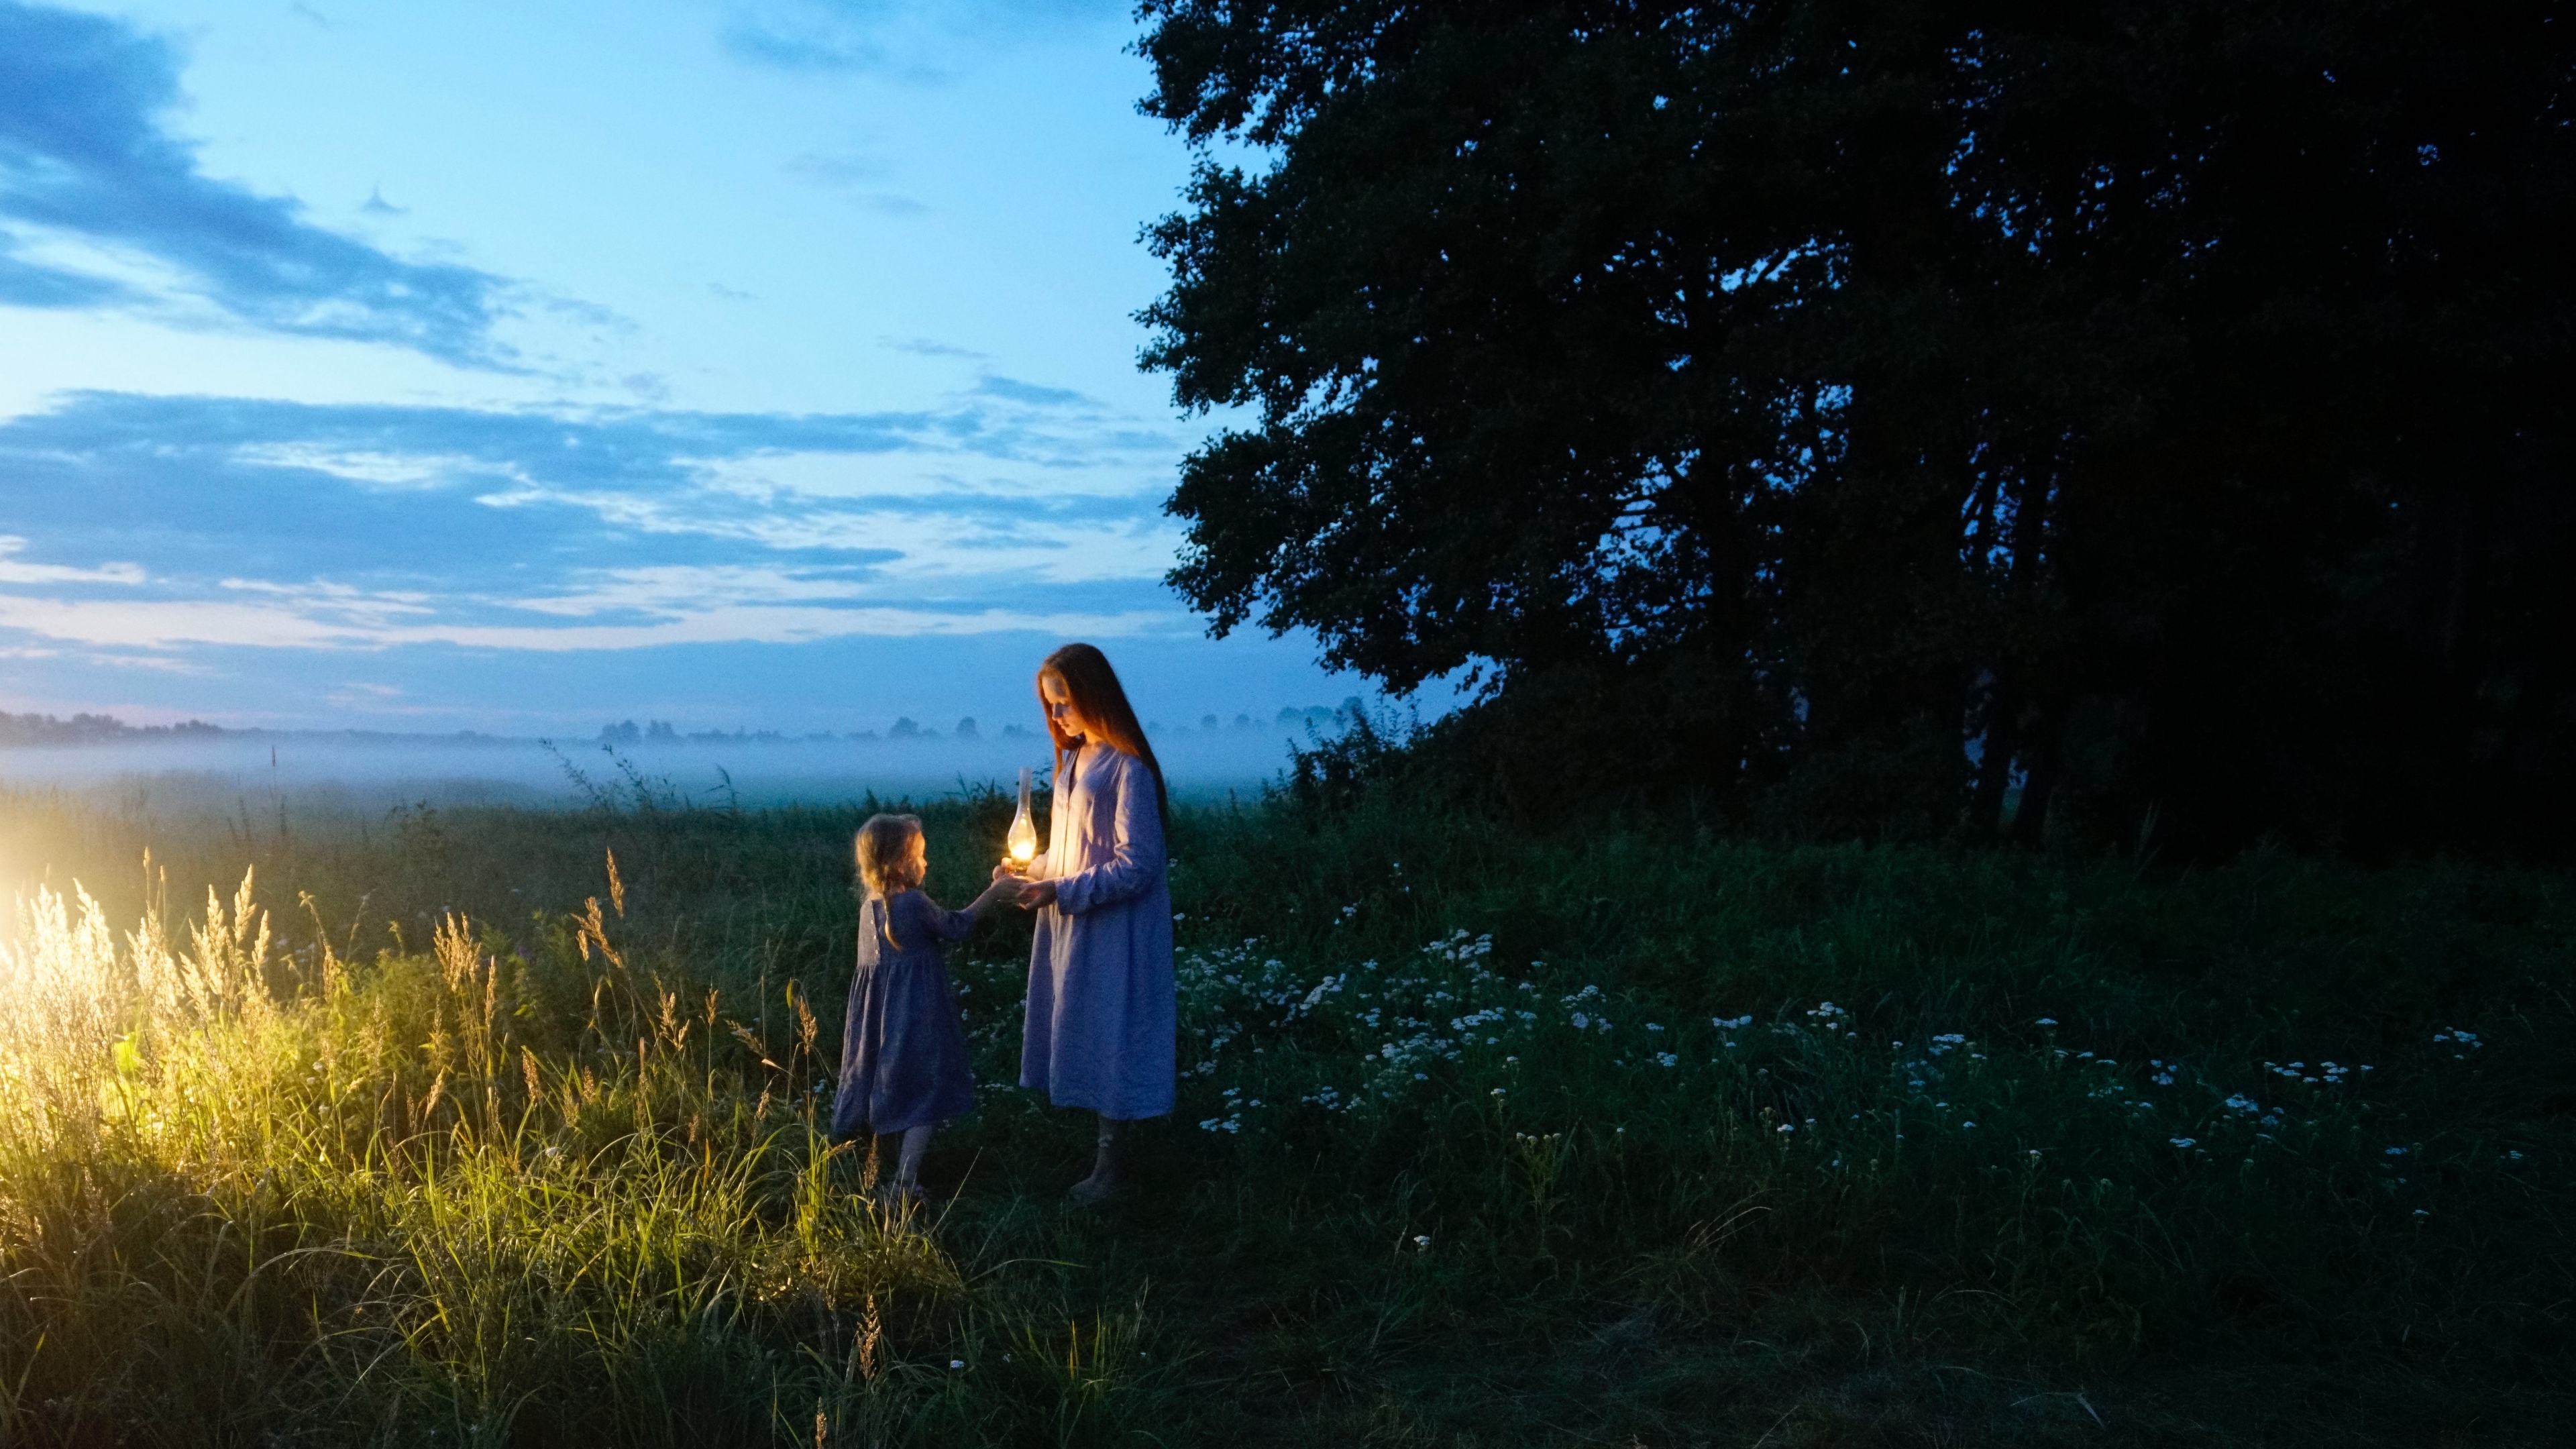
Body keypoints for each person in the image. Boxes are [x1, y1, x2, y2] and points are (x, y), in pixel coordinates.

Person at [1011, 642, 1177, 1204]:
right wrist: (1028, 871)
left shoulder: (1127, 769)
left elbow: (1139, 865)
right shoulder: (1076, 761)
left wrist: (1060, 889)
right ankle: (1101, 1163)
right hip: (1073, 922)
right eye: (1050, 706)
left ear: (1093, 696)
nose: (1057, 716)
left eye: (1064, 702)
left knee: (1114, 1032)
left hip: (1115, 928)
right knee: (1086, 1025)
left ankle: (1111, 1172)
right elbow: (1071, 849)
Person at [833, 812, 1015, 1203]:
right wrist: (996, 893)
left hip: (880, 1021)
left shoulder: (870, 909)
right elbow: (957, 927)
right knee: (924, 1091)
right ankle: (904, 1183)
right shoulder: (912, 903)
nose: (927, 863)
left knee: (894, 1085)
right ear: (901, 864)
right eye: (921, 855)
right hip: (918, 1013)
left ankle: (879, 1167)